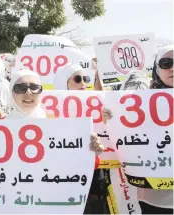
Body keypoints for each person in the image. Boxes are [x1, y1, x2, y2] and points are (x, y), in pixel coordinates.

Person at [103, 46, 173, 214]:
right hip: (157, 195)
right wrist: (112, 117)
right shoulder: (140, 102)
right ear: (157, 68)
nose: (173, 68)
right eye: (166, 63)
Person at [54, 63, 108, 214]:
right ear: (63, 82)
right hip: (64, 175)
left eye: (85, 78)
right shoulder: (49, 112)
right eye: (77, 79)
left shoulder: (95, 105)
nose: (83, 84)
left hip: (94, 171)